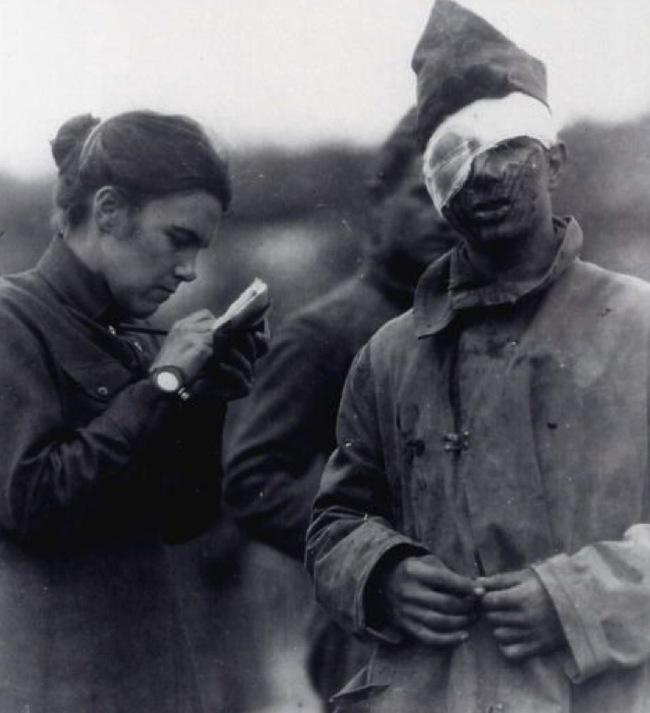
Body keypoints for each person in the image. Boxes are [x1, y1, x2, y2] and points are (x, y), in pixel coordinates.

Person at [306, 2, 650, 712]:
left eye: (507, 147)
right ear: (432, 188)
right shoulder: (390, 354)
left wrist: (574, 598)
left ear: (555, 157)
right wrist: (382, 574)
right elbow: (334, 523)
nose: (484, 177)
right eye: (455, 158)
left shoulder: (637, 326)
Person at [0, 110, 267, 713]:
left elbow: (182, 518)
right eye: (179, 239)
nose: (189, 270)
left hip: (150, 674)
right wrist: (163, 384)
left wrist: (204, 399)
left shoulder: (138, 338)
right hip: (51, 683)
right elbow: (34, 501)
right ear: (109, 210)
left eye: (199, 248)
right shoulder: (11, 321)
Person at [223, 107, 458, 710]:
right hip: (372, 630)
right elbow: (252, 481)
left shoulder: (481, 325)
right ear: (377, 206)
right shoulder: (327, 332)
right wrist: (376, 561)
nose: (441, 214)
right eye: (420, 194)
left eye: (454, 194)